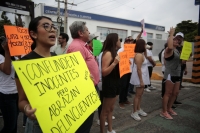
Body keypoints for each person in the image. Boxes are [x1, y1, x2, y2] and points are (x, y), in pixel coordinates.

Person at [15, 16, 58, 133]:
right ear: (34, 34)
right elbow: (22, 101)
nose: (53, 30)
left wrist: (83, 80)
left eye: (53, 26)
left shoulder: (57, 58)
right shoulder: (24, 63)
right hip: (38, 125)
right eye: (46, 26)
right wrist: (26, 109)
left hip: (59, 121)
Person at [67, 21, 100, 133]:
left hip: (89, 87)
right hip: (84, 91)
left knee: (87, 122)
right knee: (83, 124)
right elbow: (75, 73)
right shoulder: (77, 47)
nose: (89, 32)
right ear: (80, 33)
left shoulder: (82, 45)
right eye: (87, 30)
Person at [100, 33, 121, 133]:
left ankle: (110, 129)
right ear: (114, 41)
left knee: (111, 109)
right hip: (109, 84)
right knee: (105, 111)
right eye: (119, 39)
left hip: (116, 82)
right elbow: (104, 72)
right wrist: (114, 63)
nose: (120, 41)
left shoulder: (115, 52)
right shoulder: (108, 53)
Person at [160, 27, 181, 119]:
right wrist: (171, 34)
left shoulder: (177, 51)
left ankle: (169, 108)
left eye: (176, 40)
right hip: (170, 74)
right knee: (168, 93)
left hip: (177, 73)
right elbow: (170, 46)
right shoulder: (168, 50)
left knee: (175, 93)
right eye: (174, 40)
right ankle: (164, 112)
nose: (176, 41)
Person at [0, 36, 19, 133]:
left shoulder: (14, 56)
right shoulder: (1, 56)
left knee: (14, 124)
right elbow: (7, 71)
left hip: (16, 93)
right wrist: (7, 51)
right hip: (6, 95)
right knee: (9, 126)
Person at [129, 39, 149, 121]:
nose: (146, 46)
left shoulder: (141, 54)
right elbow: (138, 69)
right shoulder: (139, 55)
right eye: (144, 44)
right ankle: (134, 112)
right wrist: (141, 81)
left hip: (143, 76)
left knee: (140, 94)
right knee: (138, 95)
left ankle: (138, 109)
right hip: (139, 77)